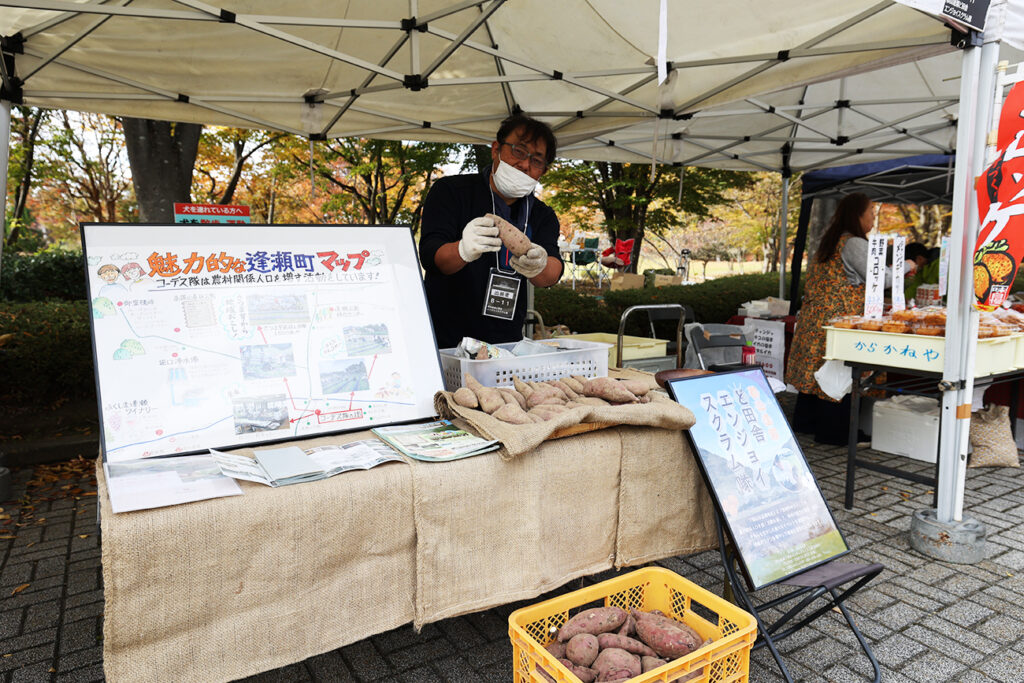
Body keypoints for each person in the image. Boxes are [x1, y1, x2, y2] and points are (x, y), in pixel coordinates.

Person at [419, 114, 564, 349]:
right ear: (496, 149)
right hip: (445, 340)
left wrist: (540, 264)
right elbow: (431, 256)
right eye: (519, 151)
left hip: (506, 343)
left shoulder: (542, 215)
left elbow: (551, 274)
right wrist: (462, 250)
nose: (525, 165)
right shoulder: (452, 192)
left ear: (543, 171)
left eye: (537, 160)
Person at [785, 193, 916, 445]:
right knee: (838, 372)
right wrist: (908, 265)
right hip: (839, 320)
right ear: (857, 215)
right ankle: (834, 433)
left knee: (817, 370)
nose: (873, 219)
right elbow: (880, 279)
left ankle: (806, 423)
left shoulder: (831, 240)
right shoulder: (854, 243)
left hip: (816, 317)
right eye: (871, 214)